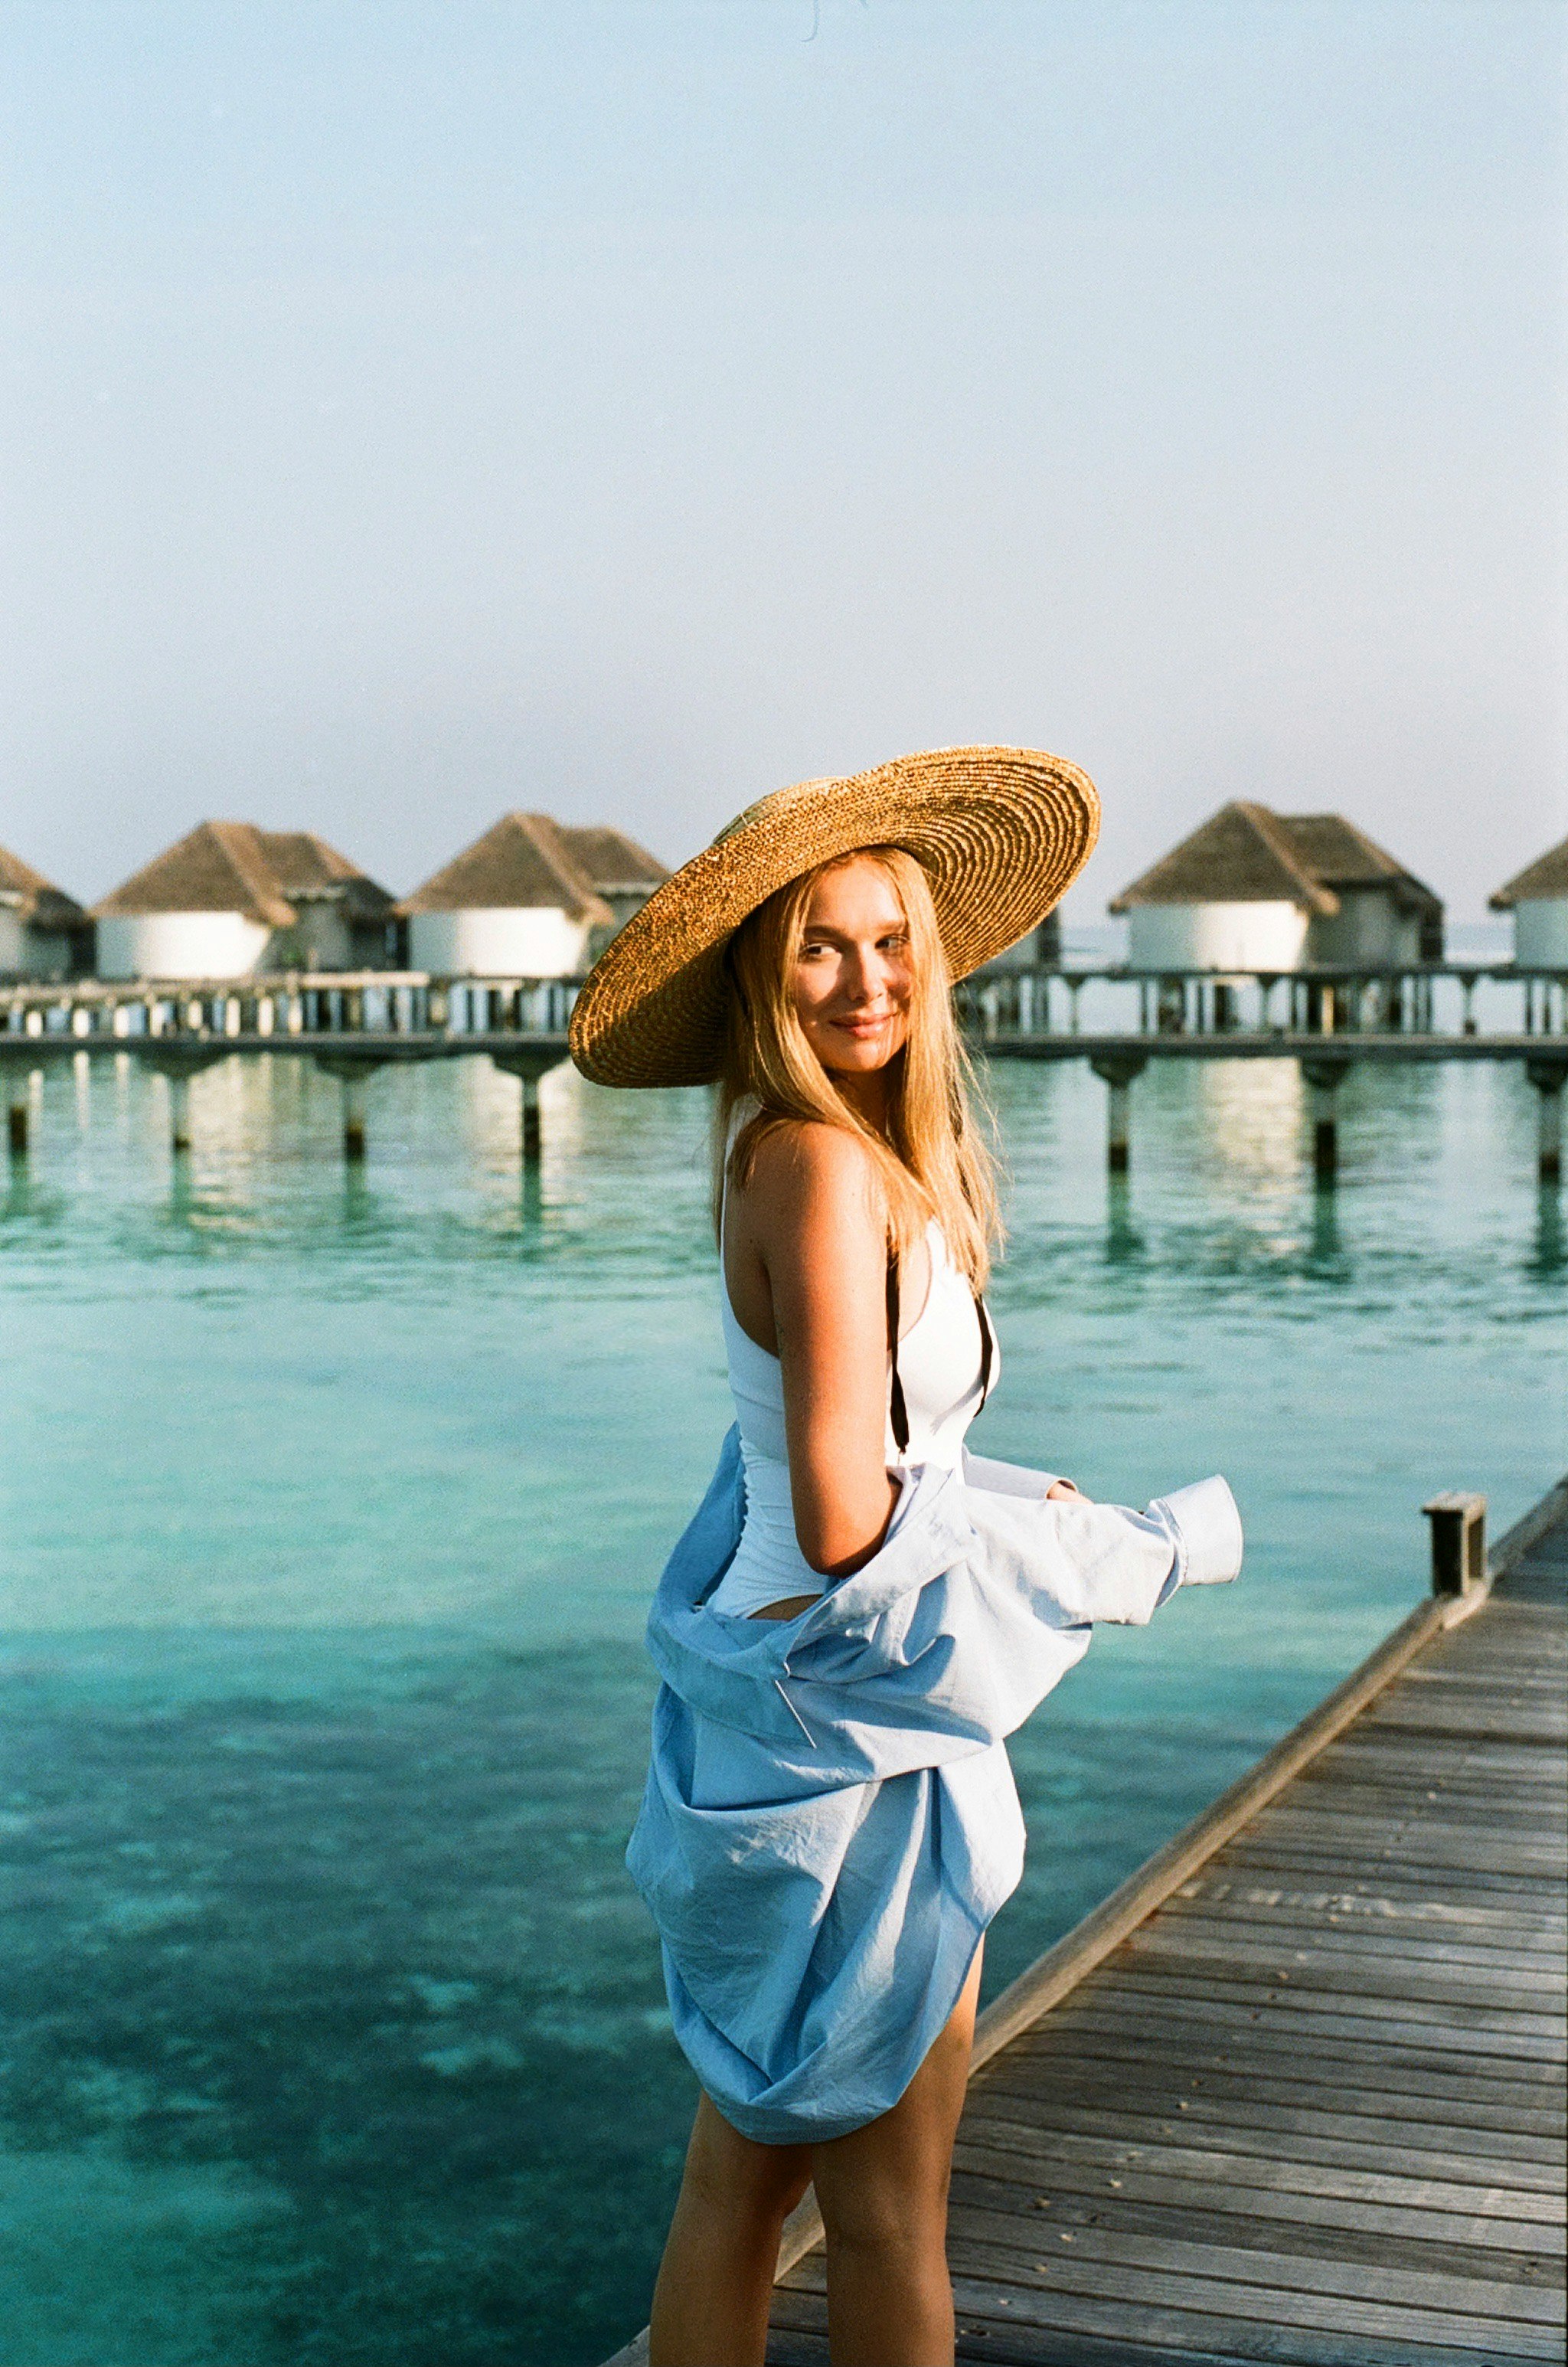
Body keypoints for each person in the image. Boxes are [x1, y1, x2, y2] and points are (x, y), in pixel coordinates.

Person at [569, 747, 1242, 2367]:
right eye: (820, 943)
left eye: (889, 941)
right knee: (872, 2207)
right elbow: (836, 1513)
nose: (863, 978)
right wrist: (1064, 1547)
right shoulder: (807, 1166)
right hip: (833, 1727)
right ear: (759, 972)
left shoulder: (861, 1166)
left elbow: (886, 1461)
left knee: (753, 2166)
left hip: (817, 1698)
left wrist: (1007, 1487)